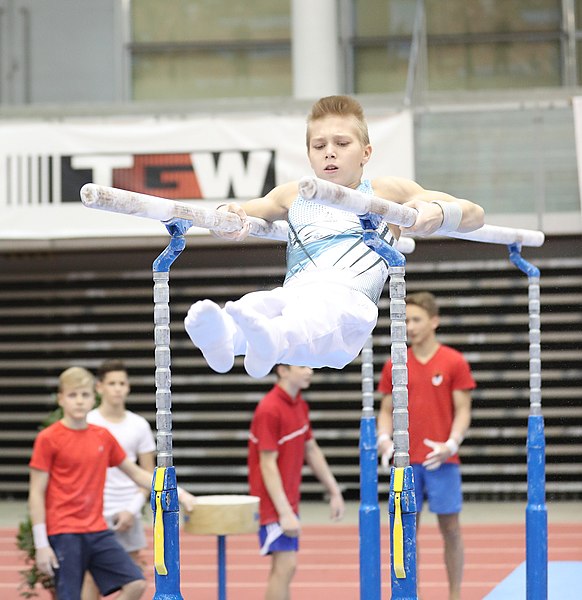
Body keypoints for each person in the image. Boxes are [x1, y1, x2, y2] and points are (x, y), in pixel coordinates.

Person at [184, 94, 485, 379]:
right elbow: (234, 215)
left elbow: (475, 214)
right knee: (262, 304)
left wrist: (439, 212)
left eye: (342, 143)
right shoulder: (294, 194)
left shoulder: (386, 192)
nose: (330, 151)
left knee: (310, 317)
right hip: (298, 295)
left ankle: (270, 341)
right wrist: (227, 214)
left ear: (366, 152)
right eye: (319, 146)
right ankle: (224, 339)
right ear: (309, 155)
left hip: (348, 310)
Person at [28, 366, 196, 600]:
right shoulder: (48, 439)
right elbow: (36, 492)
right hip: (64, 532)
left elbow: (137, 474)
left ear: (93, 398)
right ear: (61, 399)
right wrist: (41, 543)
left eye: (84, 395)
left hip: (97, 530)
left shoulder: (102, 436)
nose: (79, 401)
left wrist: (182, 494)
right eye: (72, 395)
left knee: (136, 583)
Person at [376, 292, 475, 600]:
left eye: (416, 319)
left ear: (434, 322)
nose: (410, 326)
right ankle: (410, 592)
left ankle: (455, 594)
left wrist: (452, 442)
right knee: (407, 532)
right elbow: (385, 410)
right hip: (407, 462)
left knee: (451, 529)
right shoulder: (395, 363)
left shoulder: (454, 361)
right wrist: (383, 439)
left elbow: (463, 410)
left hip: (441, 459)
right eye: (405, 320)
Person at [248, 364, 345, 600]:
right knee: (285, 566)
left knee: (285, 568)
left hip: (289, 500)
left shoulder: (299, 403)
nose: (310, 371)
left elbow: (311, 449)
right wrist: (284, 512)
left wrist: (334, 491)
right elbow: (267, 464)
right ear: (282, 370)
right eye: (302, 366)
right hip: (273, 504)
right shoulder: (269, 408)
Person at [82, 360, 157, 600]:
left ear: (128, 387)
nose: (117, 388)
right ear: (99, 387)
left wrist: (132, 510)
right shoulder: (88, 422)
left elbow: (147, 474)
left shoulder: (139, 425)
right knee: (91, 577)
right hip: (93, 510)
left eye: (122, 383)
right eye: (111, 383)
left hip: (128, 511)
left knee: (133, 578)